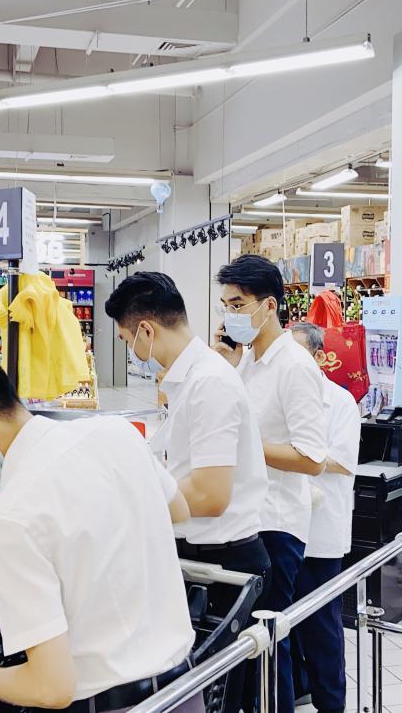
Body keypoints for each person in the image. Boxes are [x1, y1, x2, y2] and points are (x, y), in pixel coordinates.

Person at [0, 345, 199, 712]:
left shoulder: (12, 516)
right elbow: (178, 510)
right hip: (185, 690)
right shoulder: (117, 433)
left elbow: (51, 688)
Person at [103, 272, 269, 711]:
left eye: (126, 340)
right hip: (203, 557)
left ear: (146, 330)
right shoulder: (188, 381)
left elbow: (211, 494)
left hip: (224, 564)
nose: (131, 351)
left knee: (221, 698)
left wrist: (130, 505)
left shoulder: (209, 383)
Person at [214, 254, 328, 713]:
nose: (230, 315)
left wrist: (246, 446)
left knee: (267, 644)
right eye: (225, 305)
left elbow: (312, 458)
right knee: (247, 647)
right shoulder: (247, 362)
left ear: (269, 305)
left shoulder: (294, 366)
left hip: (278, 525)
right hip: (246, 518)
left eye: (238, 304)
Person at [288, 323, 360, 713]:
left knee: (322, 627)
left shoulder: (341, 402)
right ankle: (300, 687)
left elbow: (343, 461)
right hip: (283, 527)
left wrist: (294, 457)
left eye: (297, 354)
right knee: (287, 622)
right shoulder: (281, 397)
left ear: (318, 358)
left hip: (321, 531)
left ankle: (331, 703)